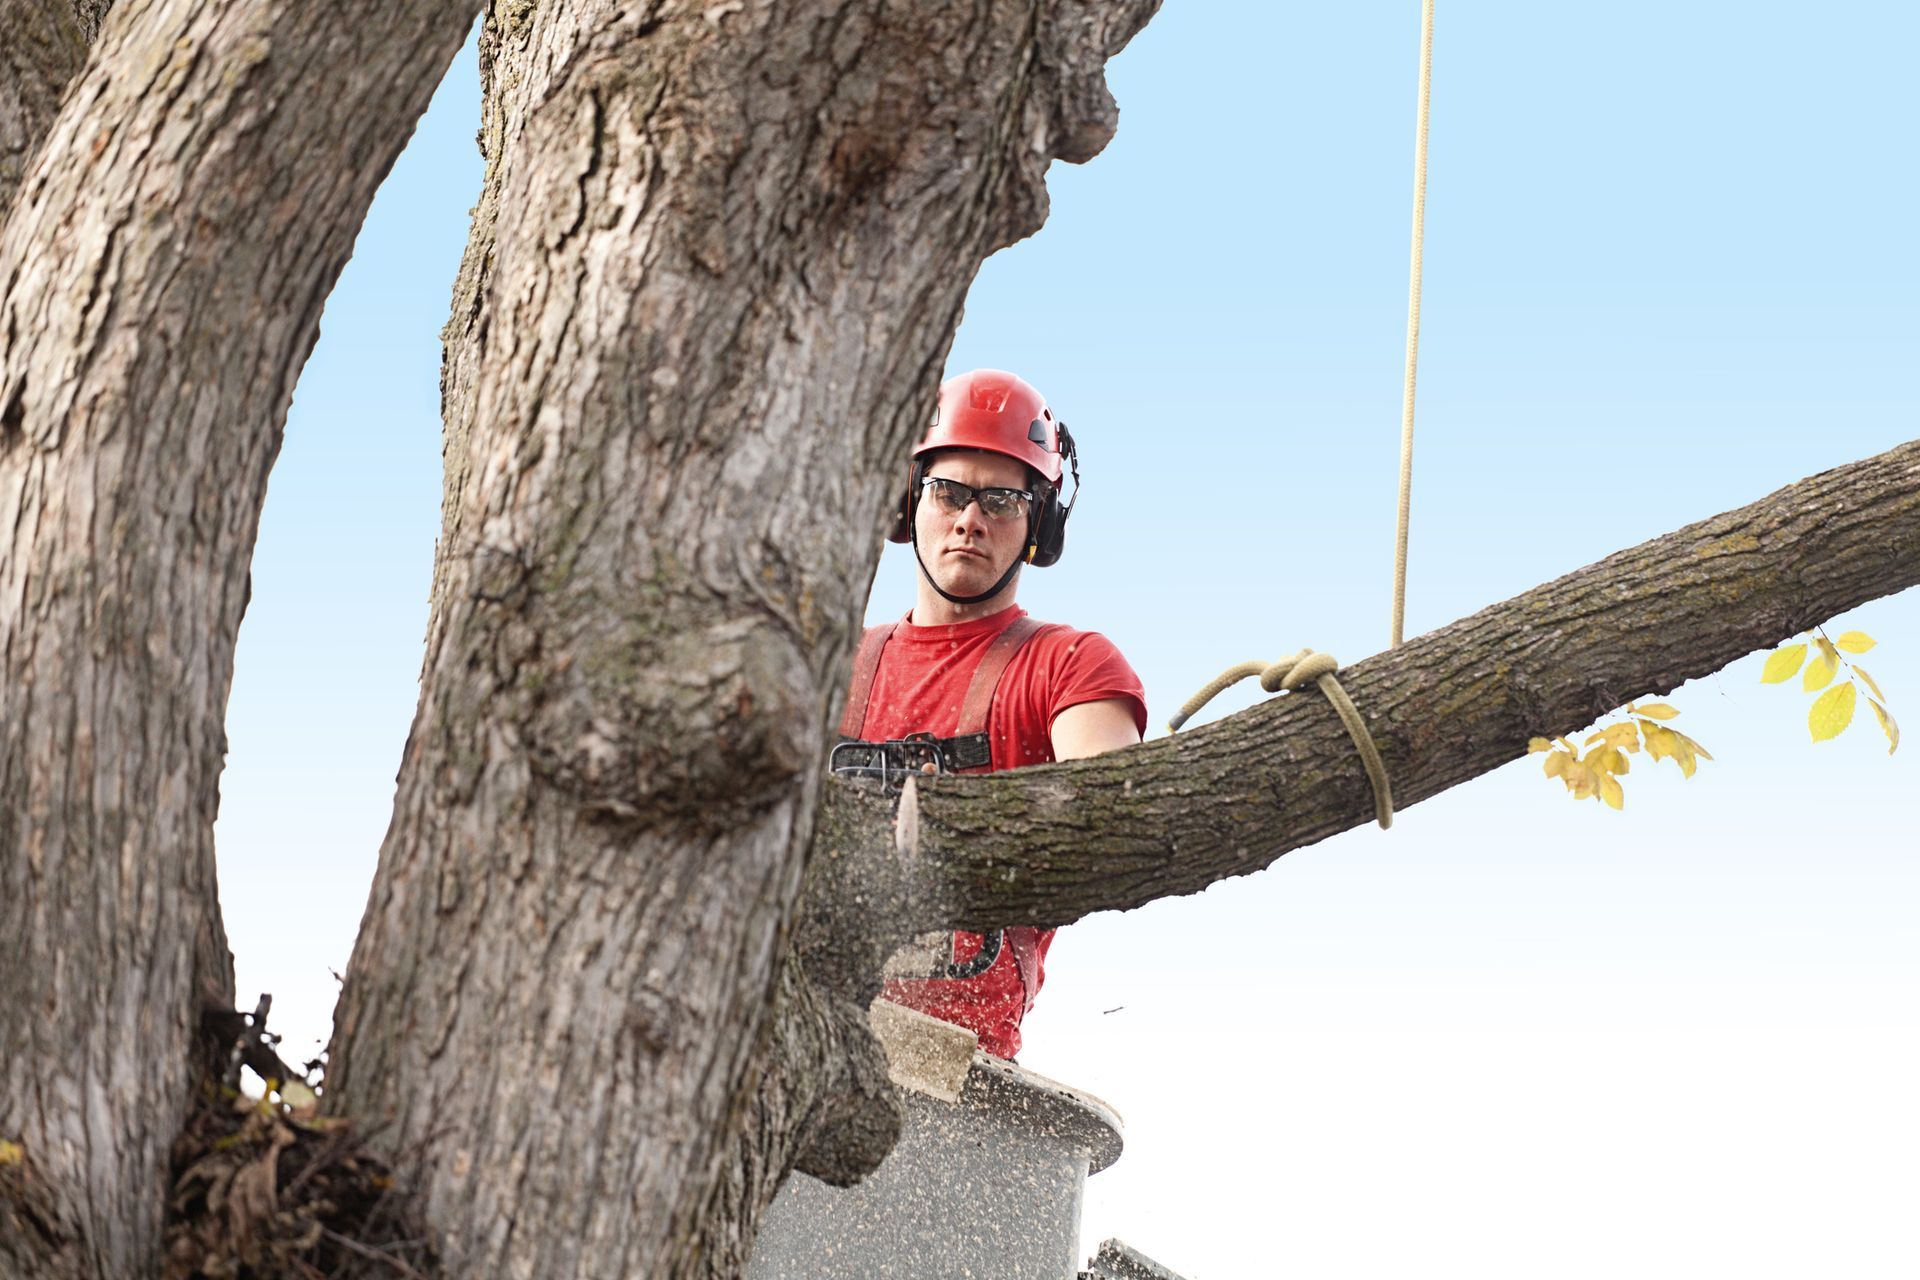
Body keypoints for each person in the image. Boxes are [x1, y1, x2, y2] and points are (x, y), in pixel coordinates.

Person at [837, 368, 1147, 1059]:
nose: (970, 519)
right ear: (907, 502)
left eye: (1002, 499)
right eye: (948, 492)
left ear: (1039, 521)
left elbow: (1116, 814)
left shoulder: (1071, 667)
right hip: (798, 1041)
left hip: (961, 1068)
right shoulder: (834, 666)